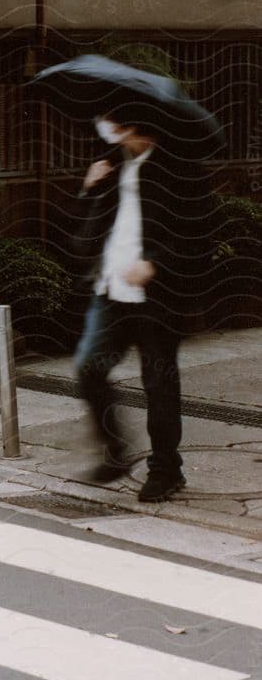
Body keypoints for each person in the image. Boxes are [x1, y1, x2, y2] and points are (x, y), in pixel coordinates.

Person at [72, 113, 212, 503]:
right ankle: (116, 450)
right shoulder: (113, 165)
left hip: (157, 300)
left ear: (139, 125)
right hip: (110, 292)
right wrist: (89, 189)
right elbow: (86, 236)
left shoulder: (179, 171)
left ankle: (166, 470)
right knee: (88, 369)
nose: (110, 129)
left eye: (118, 122)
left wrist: (156, 264)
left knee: (160, 386)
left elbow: (200, 230)